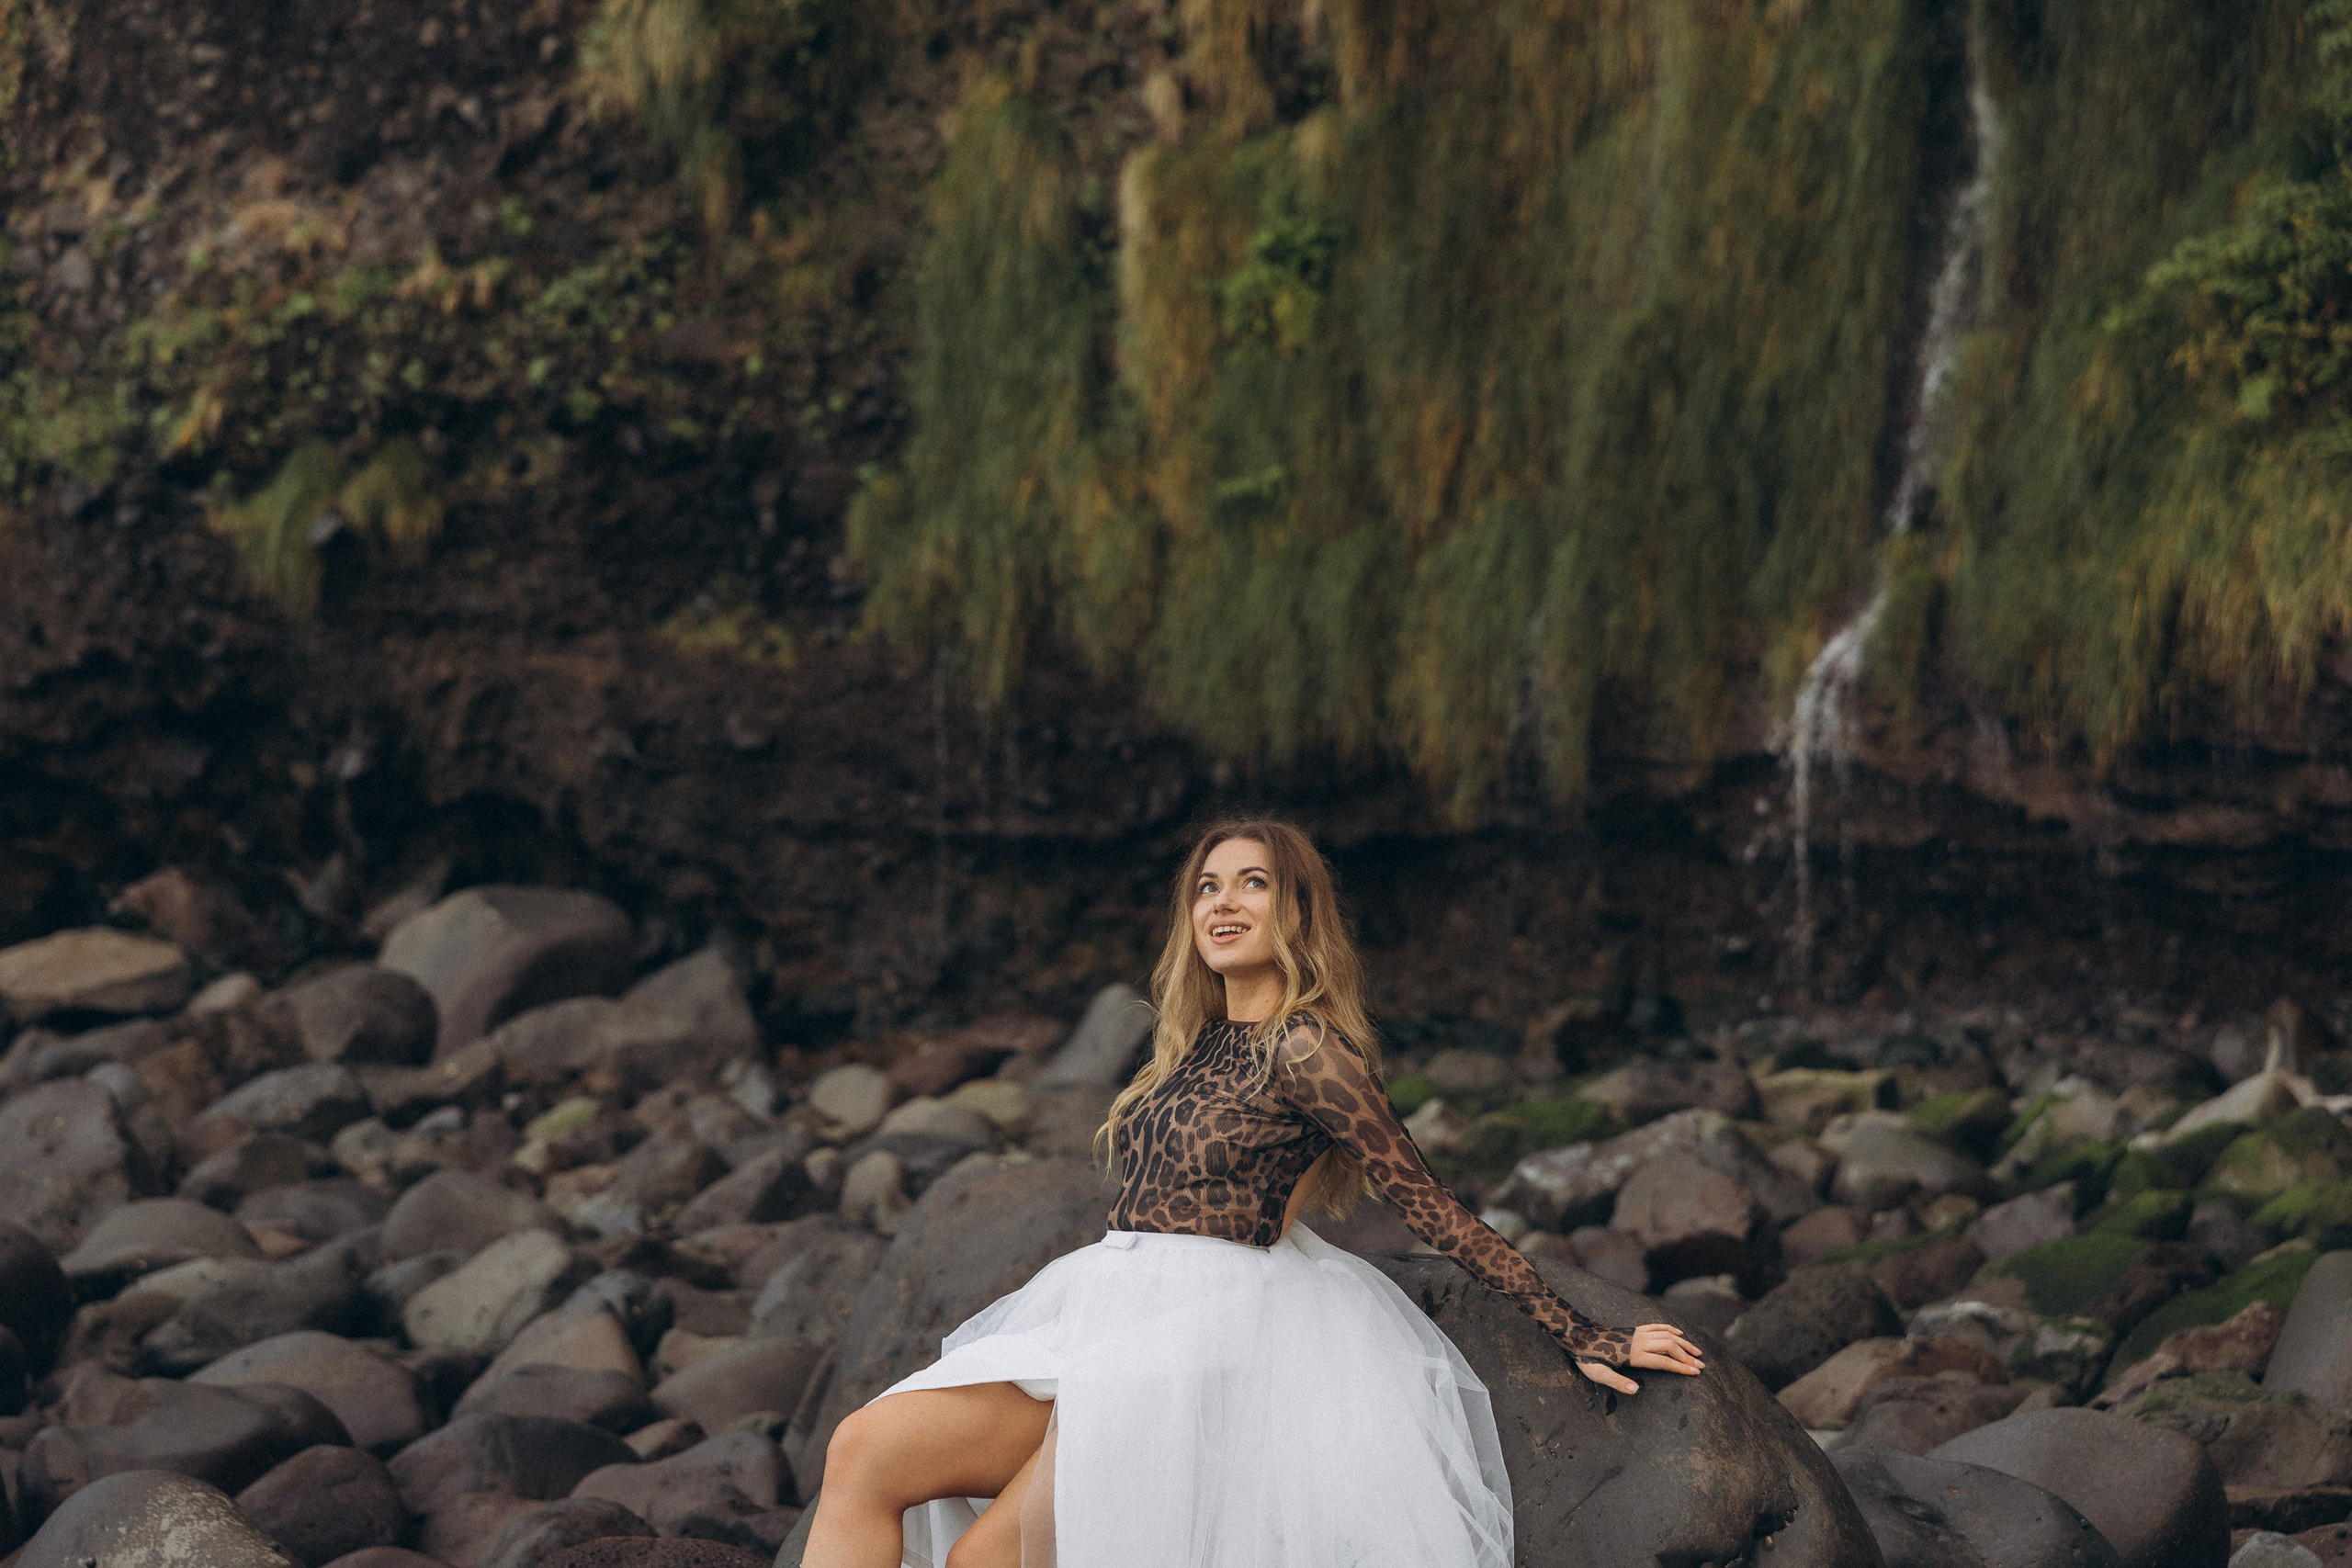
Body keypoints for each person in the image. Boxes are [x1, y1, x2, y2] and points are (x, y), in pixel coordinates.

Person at [803, 818, 1705, 1568]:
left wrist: (1584, 1331)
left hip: (1201, 1341)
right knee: (863, 1450)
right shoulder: (1195, 1043)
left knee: (982, 1563)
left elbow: (1426, 1200)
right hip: (1103, 1315)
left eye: (1252, 884)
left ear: (1296, 911)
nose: (1223, 902)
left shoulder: (1306, 1047)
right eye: (1207, 887)